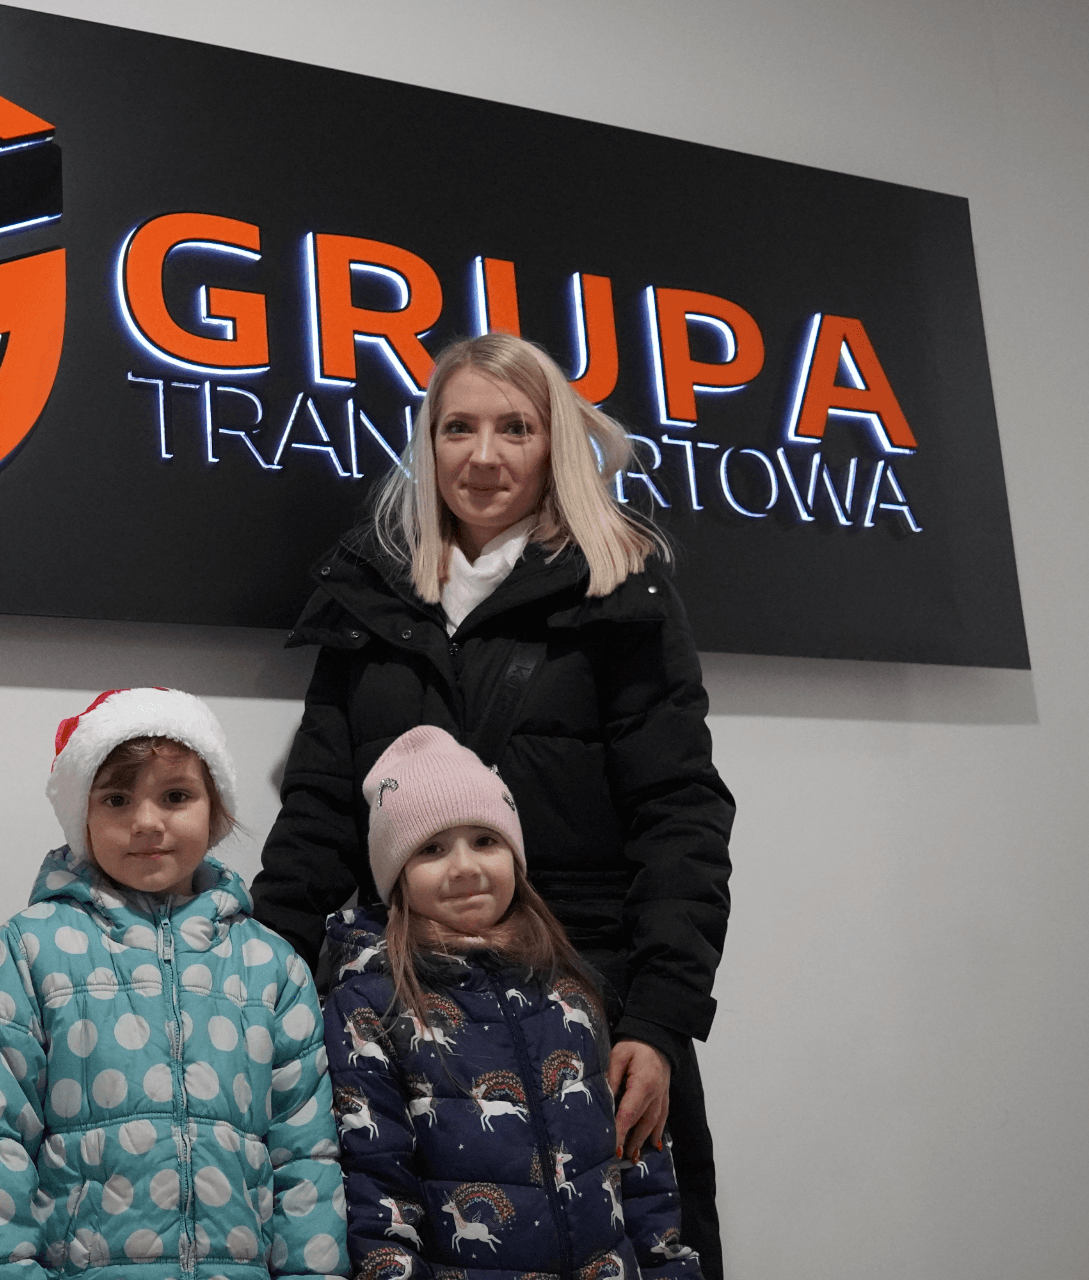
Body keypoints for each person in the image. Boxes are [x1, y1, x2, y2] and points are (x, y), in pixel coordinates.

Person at [251, 333, 732, 1276]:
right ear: (428, 444)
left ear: (555, 445)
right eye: (458, 428)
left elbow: (680, 814)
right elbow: (316, 813)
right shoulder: (370, 593)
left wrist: (660, 1019)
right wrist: (262, 991)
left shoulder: (622, 589)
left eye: (515, 428)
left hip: (590, 1000)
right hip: (404, 1015)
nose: (484, 456)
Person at [0, 688, 347, 1280]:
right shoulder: (29, 950)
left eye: (175, 796)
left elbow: (306, 1160)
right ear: (84, 818)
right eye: (117, 799)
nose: (147, 822)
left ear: (215, 808)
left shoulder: (272, 966)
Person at [322, 726, 701, 1280]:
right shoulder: (369, 1008)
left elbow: (642, 1162)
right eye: (430, 848)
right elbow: (375, 1189)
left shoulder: (573, 990)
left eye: (485, 840)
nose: (465, 867)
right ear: (396, 874)